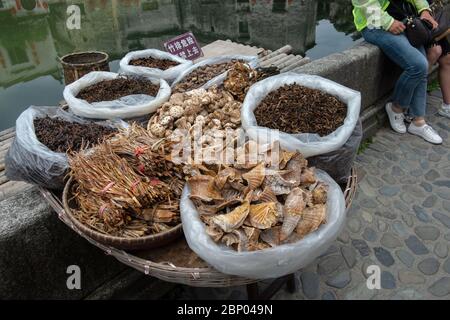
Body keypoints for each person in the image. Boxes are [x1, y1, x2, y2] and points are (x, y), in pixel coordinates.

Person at [352, 0, 443, 144]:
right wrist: (388, 23)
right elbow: (365, 5)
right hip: (375, 26)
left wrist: (424, 10)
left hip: (405, 20)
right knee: (418, 65)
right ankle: (396, 107)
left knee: (422, 65)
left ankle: (418, 121)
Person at [426, 0, 450, 118]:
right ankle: (408, 102)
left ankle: (447, 105)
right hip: (420, 18)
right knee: (434, 52)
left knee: (447, 59)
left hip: (435, 18)